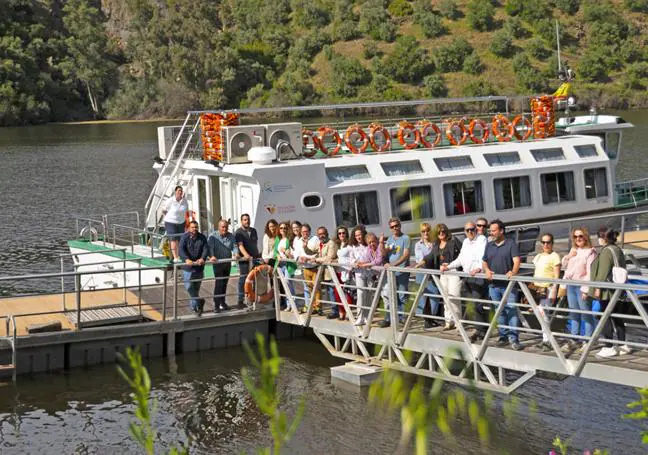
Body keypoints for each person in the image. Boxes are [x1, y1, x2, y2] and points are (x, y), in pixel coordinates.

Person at [441, 221, 488, 341]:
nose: (470, 232)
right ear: (465, 231)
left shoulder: (481, 239)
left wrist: (479, 268)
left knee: (477, 303)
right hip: (467, 276)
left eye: (472, 229)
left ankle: (481, 330)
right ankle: (481, 329)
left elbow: (483, 256)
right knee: (472, 304)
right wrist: (449, 266)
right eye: (467, 230)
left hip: (478, 276)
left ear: (476, 230)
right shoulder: (466, 242)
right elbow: (460, 259)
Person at [482, 219, 523, 351]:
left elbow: (517, 261)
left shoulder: (511, 244)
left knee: (511, 311)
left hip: (508, 285)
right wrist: (487, 270)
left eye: (493, 230)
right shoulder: (489, 245)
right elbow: (484, 261)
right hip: (493, 285)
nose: (491, 233)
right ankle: (503, 336)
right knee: (499, 312)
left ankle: (514, 338)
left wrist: (513, 271)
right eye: (490, 231)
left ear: (501, 231)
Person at [590, 227, 630, 358]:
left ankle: (609, 346)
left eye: (599, 236)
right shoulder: (617, 249)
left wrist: (597, 288)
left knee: (605, 316)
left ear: (604, 238)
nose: (598, 239)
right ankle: (623, 344)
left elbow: (603, 272)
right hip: (618, 289)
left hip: (607, 291)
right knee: (617, 317)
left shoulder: (606, 251)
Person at [561, 227, 597, 351]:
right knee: (573, 312)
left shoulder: (590, 252)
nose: (578, 239)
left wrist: (586, 289)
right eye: (575, 237)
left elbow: (590, 273)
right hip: (571, 285)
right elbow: (564, 266)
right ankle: (574, 339)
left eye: (580, 236)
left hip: (581, 286)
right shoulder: (573, 251)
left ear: (586, 237)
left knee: (585, 314)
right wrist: (569, 256)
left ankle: (587, 341)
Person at [421, 224, 461, 330]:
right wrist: (421, 262)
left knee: (454, 297)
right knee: (446, 297)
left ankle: (458, 322)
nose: (441, 233)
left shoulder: (453, 241)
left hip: (453, 271)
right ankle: (448, 321)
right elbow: (430, 256)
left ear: (446, 232)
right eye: (438, 232)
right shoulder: (436, 244)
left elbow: (462, 255)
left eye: (443, 231)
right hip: (442, 273)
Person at [532, 233, 561, 352]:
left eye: (548, 242)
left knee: (544, 315)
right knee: (540, 314)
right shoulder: (538, 256)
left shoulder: (555, 256)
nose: (545, 245)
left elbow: (557, 276)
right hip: (536, 289)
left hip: (547, 289)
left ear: (552, 243)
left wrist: (554, 289)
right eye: (543, 242)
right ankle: (545, 338)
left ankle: (547, 340)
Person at [379, 218, 410, 328]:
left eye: (396, 225)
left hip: (402, 271)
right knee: (391, 295)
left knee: (402, 295)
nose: (395, 228)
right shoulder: (390, 239)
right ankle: (390, 318)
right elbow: (383, 253)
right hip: (392, 273)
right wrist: (381, 242)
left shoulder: (405, 238)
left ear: (400, 225)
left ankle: (401, 319)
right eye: (392, 227)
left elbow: (406, 255)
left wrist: (394, 264)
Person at [208, 219, 239, 312]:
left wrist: (236, 254)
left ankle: (222, 302)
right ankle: (216, 305)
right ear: (219, 227)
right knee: (219, 284)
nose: (224, 228)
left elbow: (234, 247)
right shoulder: (213, 236)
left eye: (226, 227)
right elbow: (210, 248)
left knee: (225, 283)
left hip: (227, 263)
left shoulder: (231, 236)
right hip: (218, 263)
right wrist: (212, 256)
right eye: (222, 227)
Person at [413, 223, 440, 328]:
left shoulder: (435, 243)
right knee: (422, 296)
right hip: (422, 273)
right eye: (423, 231)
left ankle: (431, 319)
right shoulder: (418, 245)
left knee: (435, 296)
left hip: (433, 272)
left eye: (427, 230)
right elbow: (420, 259)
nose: (425, 233)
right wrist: (430, 251)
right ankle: (424, 320)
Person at [179, 220, 208, 316]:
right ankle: (199, 301)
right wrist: (186, 259)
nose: (194, 229)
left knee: (196, 288)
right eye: (192, 227)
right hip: (188, 268)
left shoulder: (202, 237)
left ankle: (194, 308)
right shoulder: (184, 237)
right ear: (189, 228)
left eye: (196, 227)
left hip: (199, 267)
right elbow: (181, 250)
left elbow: (205, 249)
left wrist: (202, 258)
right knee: (188, 286)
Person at [355, 232, 384, 326]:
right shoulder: (368, 249)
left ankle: (391, 319)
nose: (372, 244)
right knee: (368, 295)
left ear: (376, 240)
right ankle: (364, 317)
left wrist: (365, 265)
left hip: (384, 274)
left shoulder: (379, 248)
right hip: (376, 275)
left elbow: (378, 261)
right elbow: (368, 259)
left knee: (385, 296)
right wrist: (360, 263)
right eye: (369, 242)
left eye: (373, 242)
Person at [312, 226, 339, 319]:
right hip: (324, 272)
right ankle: (334, 309)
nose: (321, 235)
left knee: (332, 291)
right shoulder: (321, 244)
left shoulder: (331, 243)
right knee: (329, 291)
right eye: (319, 234)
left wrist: (316, 260)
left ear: (327, 233)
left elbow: (329, 257)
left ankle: (335, 311)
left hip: (331, 272)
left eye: (323, 233)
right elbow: (312, 251)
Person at [235, 213, 260, 309]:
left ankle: (252, 297)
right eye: (245, 220)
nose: (247, 221)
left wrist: (257, 255)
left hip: (255, 259)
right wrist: (246, 256)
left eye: (248, 219)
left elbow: (255, 244)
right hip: (244, 260)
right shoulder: (239, 232)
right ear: (241, 221)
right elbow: (240, 245)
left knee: (254, 279)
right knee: (243, 279)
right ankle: (240, 299)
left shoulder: (254, 231)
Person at [297, 224, 321, 315]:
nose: (305, 233)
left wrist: (307, 258)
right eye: (303, 231)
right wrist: (300, 258)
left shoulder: (315, 239)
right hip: (305, 267)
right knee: (310, 288)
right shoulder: (299, 241)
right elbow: (297, 253)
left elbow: (317, 252)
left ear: (310, 231)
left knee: (316, 288)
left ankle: (318, 308)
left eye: (306, 231)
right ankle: (313, 306)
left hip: (314, 267)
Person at [163, 185, 189, 262]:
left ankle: (180, 255)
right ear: (175, 192)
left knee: (180, 239)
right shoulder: (170, 200)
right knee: (173, 239)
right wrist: (169, 217)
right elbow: (164, 210)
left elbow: (186, 211)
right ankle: (175, 257)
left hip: (181, 222)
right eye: (178, 191)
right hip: (170, 222)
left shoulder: (184, 201)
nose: (180, 192)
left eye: (181, 191)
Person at [276, 221, 298, 311]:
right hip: (281, 265)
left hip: (288, 264)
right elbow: (276, 251)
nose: (283, 230)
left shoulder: (289, 239)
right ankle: (288, 305)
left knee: (289, 283)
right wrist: (277, 255)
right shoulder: (279, 239)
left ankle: (294, 304)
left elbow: (291, 254)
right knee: (285, 285)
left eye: (284, 228)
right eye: (281, 228)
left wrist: (285, 251)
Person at [333, 226, 353, 321]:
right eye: (339, 233)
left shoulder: (350, 245)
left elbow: (351, 258)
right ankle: (341, 312)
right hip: (338, 270)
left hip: (346, 271)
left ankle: (349, 313)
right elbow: (338, 257)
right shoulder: (337, 244)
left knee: (347, 293)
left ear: (346, 234)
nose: (341, 235)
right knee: (337, 293)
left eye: (343, 233)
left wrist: (350, 269)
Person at [349, 225, 368, 324]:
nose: (358, 237)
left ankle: (367, 316)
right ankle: (360, 316)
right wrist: (356, 263)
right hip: (359, 272)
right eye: (356, 236)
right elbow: (351, 260)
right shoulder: (353, 247)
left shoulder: (368, 244)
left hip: (369, 272)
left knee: (368, 294)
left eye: (360, 235)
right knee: (360, 293)